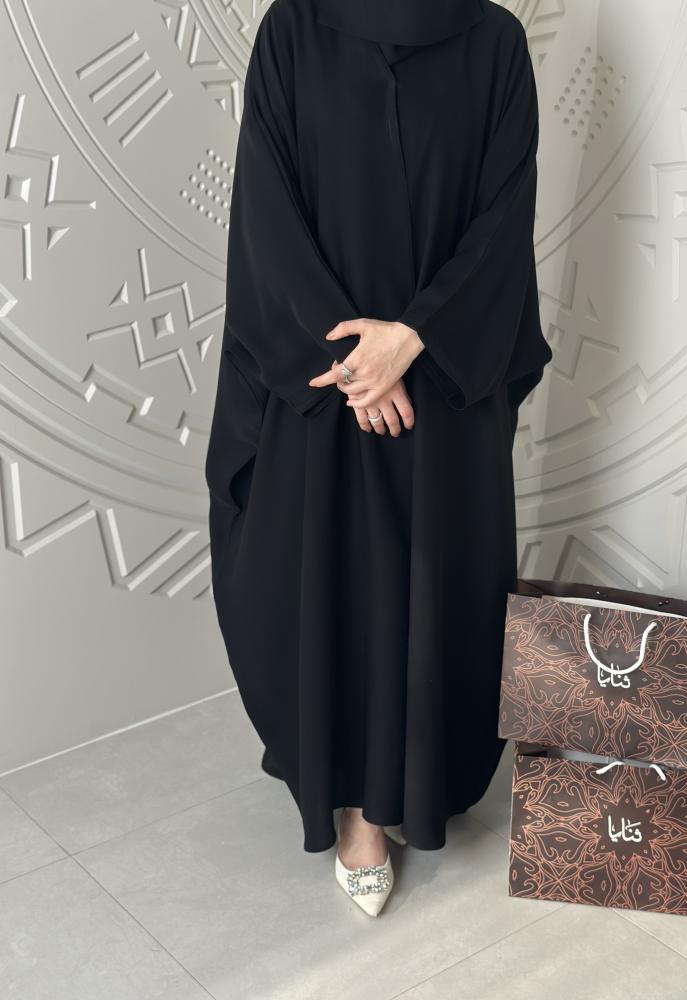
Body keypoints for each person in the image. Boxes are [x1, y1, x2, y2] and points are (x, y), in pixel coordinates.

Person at [204, 0, 553, 917]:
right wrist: (354, 363)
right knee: (337, 581)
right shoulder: (295, 30)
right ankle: (357, 810)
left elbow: (503, 217)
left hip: (443, 384)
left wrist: (414, 338)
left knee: (437, 582)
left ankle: (415, 787)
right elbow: (266, 211)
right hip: (326, 385)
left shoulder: (494, 41)